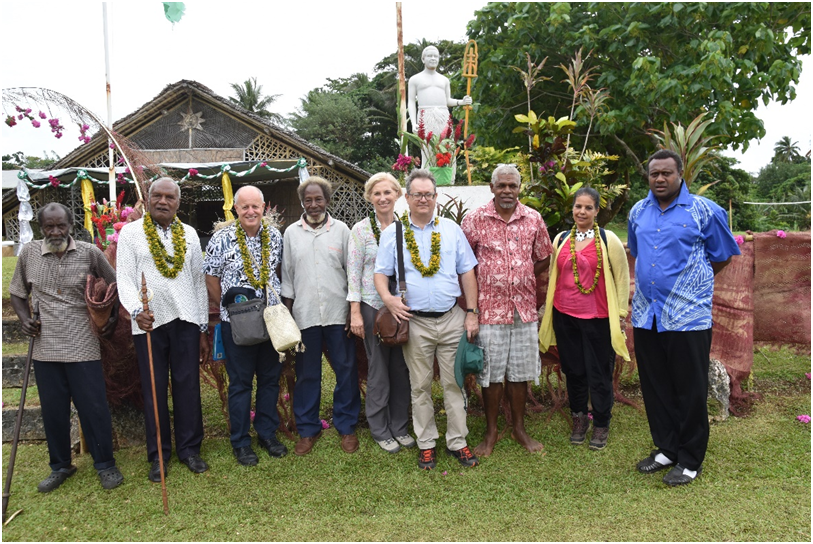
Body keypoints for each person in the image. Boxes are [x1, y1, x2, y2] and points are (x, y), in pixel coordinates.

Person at [628, 149, 740, 486]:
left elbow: (721, 257)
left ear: (680, 175)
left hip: (687, 316)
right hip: (647, 315)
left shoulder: (705, 211)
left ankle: (690, 459)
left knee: (689, 389)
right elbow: (637, 252)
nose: (659, 179)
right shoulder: (638, 212)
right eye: (653, 174)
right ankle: (667, 448)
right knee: (656, 385)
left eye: (666, 173)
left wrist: (691, 286)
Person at [9, 202, 124, 492]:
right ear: (41, 228)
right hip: (44, 346)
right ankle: (60, 466)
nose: (56, 231)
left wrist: (109, 317)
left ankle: (105, 464)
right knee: (53, 410)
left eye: (61, 225)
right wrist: (24, 320)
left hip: (82, 343)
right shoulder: (29, 254)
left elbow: (116, 285)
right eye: (50, 226)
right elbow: (17, 293)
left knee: (93, 407)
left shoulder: (89, 252)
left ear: (71, 225)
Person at [374, 168, 480, 470]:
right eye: (417, 194)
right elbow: (381, 273)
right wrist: (389, 299)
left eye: (429, 194)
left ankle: (458, 441)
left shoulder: (450, 229)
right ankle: (426, 443)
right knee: (419, 386)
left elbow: (467, 271)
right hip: (415, 322)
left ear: (436, 197)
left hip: (451, 319)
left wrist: (471, 313)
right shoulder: (392, 233)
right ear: (406, 198)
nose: (424, 199)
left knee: (454, 384)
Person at [116, 177, 210, 482]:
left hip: (185, 320)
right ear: (148, 198)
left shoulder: (190, 235)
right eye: (157, 195)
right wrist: (136, 310)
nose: (163, 201)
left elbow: (197, 281)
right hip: (149, 322)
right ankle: (158, 455)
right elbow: (125, 279)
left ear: (178, 203)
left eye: (170, 197)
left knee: (188, 387)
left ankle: (190, 449)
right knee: (154, 390)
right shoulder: (131, 234)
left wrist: (202, 325)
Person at [461, 164, 553, 457]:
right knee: (490, 373)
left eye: (512, 186)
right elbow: (464, 263)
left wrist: (521, 274)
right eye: (501, 185)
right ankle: (491, 431)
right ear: (491, 188)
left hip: (523, 309)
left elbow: (542, 258)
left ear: (519, 188)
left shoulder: (533, 219)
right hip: (490, 310)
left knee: (520, 372)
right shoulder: (475, 219)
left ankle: (519, 428)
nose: (507, 191)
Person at [539, 187, 630, 451]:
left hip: (598, 318)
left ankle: (601, 423)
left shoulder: (608, 239)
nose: (582, 211)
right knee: (574, 371)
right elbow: (555, 277)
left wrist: (621, 315)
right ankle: (579, 418)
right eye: (578, 206)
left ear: (597, 211)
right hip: (565, 317)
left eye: (588, 207)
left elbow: (622, 279)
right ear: (572, 209)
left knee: (599, 373)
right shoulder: (561, 239)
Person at [203, 185, 288, 466]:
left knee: (268, 380)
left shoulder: (275, 236)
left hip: (271, 320)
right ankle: (240, 442)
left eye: (255, 206)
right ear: (235, 209)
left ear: (264, 208)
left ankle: (267, 433)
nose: (250, 211)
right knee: (240, 384)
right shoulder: (221, 238)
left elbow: (275, 272)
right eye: (244, 207)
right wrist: (232, 310)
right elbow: (211, 278)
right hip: (235, 323)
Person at [280, 176, 361, 456]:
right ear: (302, 202)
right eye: (308, 200)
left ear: (327, 200)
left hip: (338, 313)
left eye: (318, 199)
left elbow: (352, 273)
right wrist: (287, 314)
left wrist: (354, 310)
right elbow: (287, 275)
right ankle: (307, 428)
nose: (313, 205)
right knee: (307, 374)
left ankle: (347, 425)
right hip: (305, 315)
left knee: (345, 370)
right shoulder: (291, 233)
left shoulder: (342, 231)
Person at [347, 173, 415, 454]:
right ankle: (379, 427)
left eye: (388, 192)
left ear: (398, 194)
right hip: (372, 306)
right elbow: (353, 272)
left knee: (401, 368)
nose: (383, 198)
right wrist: (355, 313)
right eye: (377, 193)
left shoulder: (408, 228)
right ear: (369, 198)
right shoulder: (361, 230)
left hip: (402, 307)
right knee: (378, 369)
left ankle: (400, 425)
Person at [407, 45, 472, 167]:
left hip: (443, 115)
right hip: (425, 116)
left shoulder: (444, 80)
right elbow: (411, 101)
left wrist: (461, 102)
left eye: (435, 56)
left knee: (447, 148)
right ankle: (428, 178)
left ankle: (447, 179)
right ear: (423, 59)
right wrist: (414, 123)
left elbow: (447, 100)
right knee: (428, 150)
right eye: (429, 56)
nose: (433, 58)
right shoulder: (415, 79)